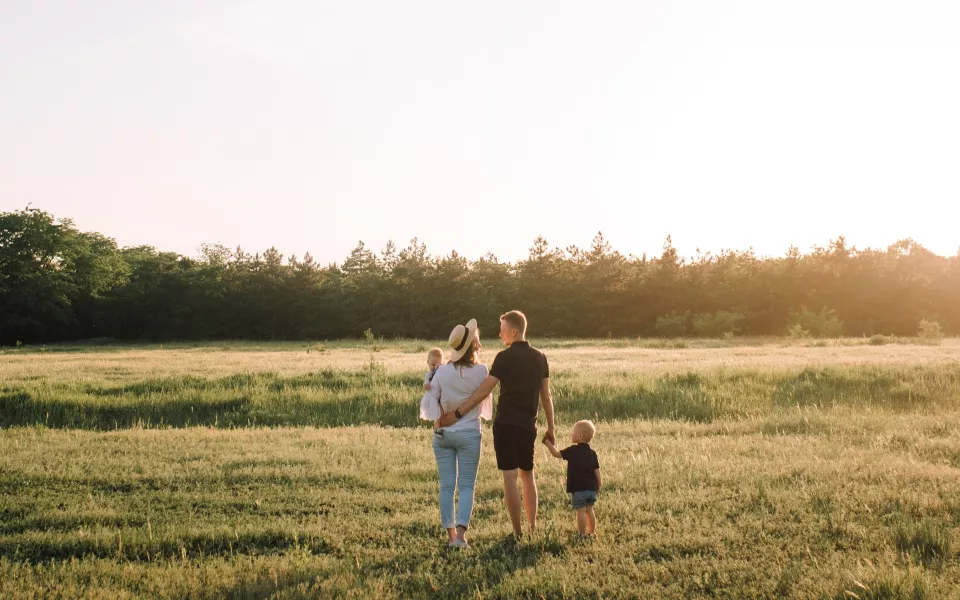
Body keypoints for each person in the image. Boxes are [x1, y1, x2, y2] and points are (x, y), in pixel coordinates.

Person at [438, 310, 555, 539]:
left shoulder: (504, 357)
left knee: (510, 476)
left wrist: (459, 412)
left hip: (505, 425)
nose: (500, 333)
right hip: (528, 425)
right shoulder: (541, 357)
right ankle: (532, 528)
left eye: (502, 329)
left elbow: (484, 390)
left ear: (513, 331)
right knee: (528, 475)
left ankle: (518, 532)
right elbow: (546, 396)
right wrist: (551, 427)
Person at [420, 319, 492, 548]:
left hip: (443, 434)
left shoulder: (441, 372)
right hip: (470, 433)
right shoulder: (482, 371)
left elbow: (433, 400)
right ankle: (461, 537)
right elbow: (483, 400)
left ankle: (450, 537)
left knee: (446, 485)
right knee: (467, 485)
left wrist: (438, 421)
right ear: (473, 345)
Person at [543, 420, 602, 537]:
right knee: (589, 511)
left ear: (580, 436)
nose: (572, 433)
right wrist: (599, 485)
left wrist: (547, 442)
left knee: (580, 511)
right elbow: (597, 471)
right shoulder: (592, 453)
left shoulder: (572, 450)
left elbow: (556, 454)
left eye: (574, 431)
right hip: (591, 489)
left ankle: (581, 534)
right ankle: (592, 532)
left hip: (579, 489)